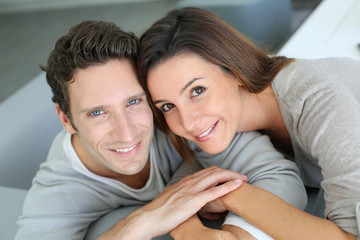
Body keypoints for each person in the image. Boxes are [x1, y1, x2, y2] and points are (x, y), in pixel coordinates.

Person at [15, 20, 307, 240]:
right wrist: (141, 222)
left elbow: (277, 174)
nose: (127, 132)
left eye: (133, 102)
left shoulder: (180, 119)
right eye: (98, 112)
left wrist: (233, 235)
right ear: (65, 120)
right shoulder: (59, 190)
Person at [138, 7, 360, 240]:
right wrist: (187, 230)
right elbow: (185, 185)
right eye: (167, 106)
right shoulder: (223, 123)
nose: (188, 123)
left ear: (233, 70)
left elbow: (349, 237)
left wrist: (229, 195)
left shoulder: (317, 100)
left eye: (197, 90)